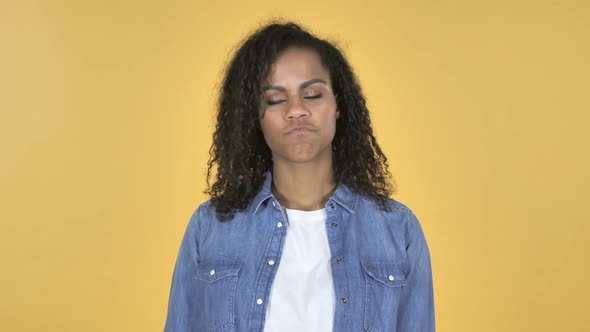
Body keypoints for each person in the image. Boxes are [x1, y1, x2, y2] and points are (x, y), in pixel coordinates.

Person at [164, 21, 435, 332]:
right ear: (256, 117)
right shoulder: (210, 227)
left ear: (338, 106)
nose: (296, 110)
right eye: (276, 99)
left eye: (313, 94)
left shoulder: (398, 230)